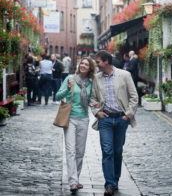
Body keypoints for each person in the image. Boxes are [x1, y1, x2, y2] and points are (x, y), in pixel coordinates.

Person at [90, 50, 138, 196]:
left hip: (121, 119)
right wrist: (97, 113)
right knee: (107, 151)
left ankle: (115, 180)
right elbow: (92, 99)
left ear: (106, 62)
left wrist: (127, 115)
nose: (96, 65)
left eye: (98, 62)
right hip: (105, 120)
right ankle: (109, 184)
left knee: (117, 152)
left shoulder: (124, 75)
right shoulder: (96, 78)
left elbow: (134, 97)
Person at [56, 57, 95, 194]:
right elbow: (57, 96)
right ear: (79, 65)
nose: (83, 66)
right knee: (70, 150)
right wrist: (67, 89)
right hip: (70, 118)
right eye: (82, 63)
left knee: (80, 152)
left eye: (87, 64)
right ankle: (72, 181)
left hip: (84, 119)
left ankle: (76, 178)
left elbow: (91, 99)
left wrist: (94, 104)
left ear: (90, 68)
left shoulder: (91, 82)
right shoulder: (70, 79)